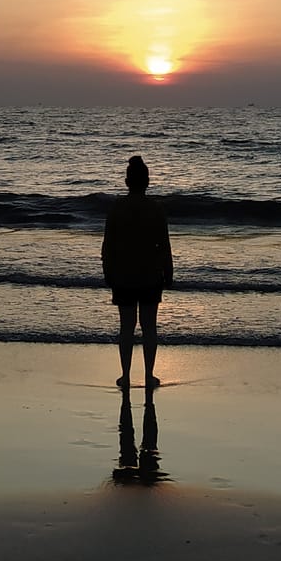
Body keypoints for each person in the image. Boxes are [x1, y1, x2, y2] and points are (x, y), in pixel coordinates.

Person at [101, 153, 172, 389]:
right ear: (147, 182)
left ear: (127, 181)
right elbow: (164, 244)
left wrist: (108, 271)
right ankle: (150, 375)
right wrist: (168, 272)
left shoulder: (117, 208)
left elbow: (108, 244)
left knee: (126, 327)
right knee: (149, 327)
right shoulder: (156, 208)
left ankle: (126, 375)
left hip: (124, 274)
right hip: (150, 274)